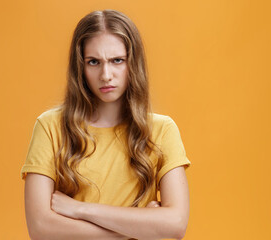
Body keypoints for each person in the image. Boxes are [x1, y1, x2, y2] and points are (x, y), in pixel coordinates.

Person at [20, 9, 191, 240]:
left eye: (117, 60)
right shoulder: (50, 127)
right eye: (93, 62)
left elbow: (175, 225)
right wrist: (137, 229)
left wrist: (80, 209)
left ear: (134, 63)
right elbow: (40, 228)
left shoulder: (162, 130)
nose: (106, 74)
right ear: (80, 67)